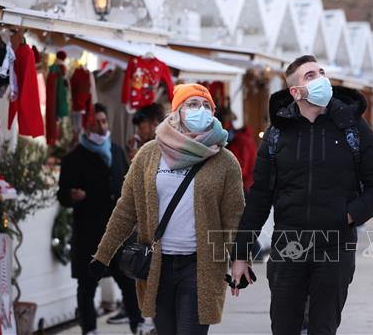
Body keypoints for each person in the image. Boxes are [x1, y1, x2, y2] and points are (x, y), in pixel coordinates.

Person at [231, 55, 373, 335]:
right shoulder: (277, 134)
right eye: (310, 76)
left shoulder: (352, 127)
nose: (320, 79)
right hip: (288, 247)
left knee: (323, 328)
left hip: (335, 247)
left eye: (321, 72)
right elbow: (258, 198)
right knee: (284, 327)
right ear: (296, 92)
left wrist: (349, 214)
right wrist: (241, 254)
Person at [90, 84, 245, 334]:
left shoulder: (224, 161)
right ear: (177, 112)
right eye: (193, 105)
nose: (201, 110)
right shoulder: (149, 154)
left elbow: (235, 216)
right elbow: (126, 209)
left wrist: (241, 259)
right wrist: (102, 255)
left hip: (200, 267)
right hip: (157, 266)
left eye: (207, 106)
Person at [57, 103, 143, 335]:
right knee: (86, 286)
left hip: (118, 233)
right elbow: (62, 195)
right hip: (89, 234)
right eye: (96, 122)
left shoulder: (115, 152)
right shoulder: (73, 158)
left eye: (104, 121)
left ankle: (138, 324)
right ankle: (89, 329)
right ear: (87, 125)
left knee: (127, 282)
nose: (101, 126)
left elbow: (128, 185)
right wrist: (72, 196)